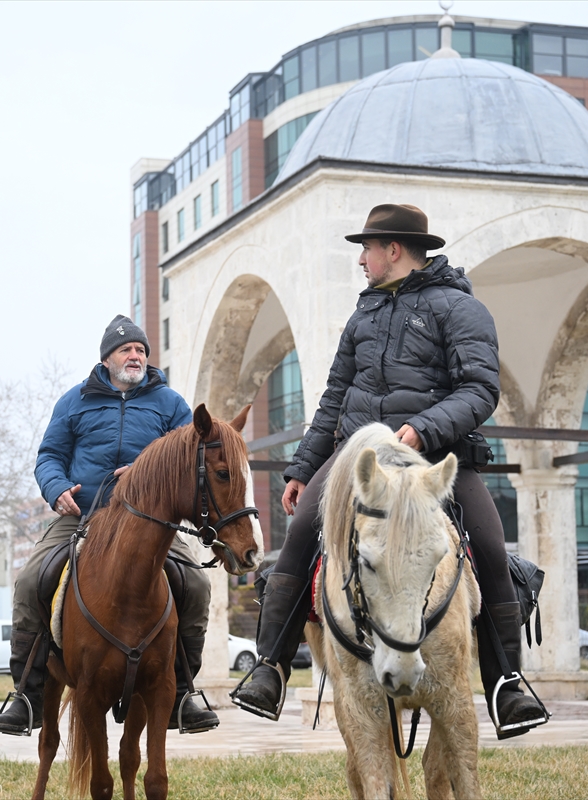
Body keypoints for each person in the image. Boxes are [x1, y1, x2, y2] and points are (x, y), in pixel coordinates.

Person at [231, 204, 548, 739]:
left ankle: (507, 684)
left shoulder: (460, 309)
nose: (362, 259)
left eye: (367, 249)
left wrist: (424, 428)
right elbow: (334, 399)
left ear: (393, 251)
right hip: (356, 458)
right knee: (300, 536)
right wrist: (304, 468)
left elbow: (480, 389)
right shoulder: (364, 315)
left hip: (434, 458)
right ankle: (270, 668)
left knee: (491, 549)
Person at [0, 315, 220, 735]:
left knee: (198, 585)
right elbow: (48, 456)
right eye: (126, 350)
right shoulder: (74, 400)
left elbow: (191, 457)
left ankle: (184, 693)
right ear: (107, 359)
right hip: (84, 518)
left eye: (141, 350)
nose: (135, 356)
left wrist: (142, 470)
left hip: (150, 523)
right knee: (29, 582)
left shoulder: (169, 403)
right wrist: (56, 488)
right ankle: (26, 694)